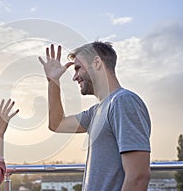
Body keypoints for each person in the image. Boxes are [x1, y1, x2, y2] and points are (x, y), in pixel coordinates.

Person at [38, 42, 151, 190]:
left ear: (97, 63)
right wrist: (53, 82)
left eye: (78, 68)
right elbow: (57, 124)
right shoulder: (96, 112)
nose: (74, 77)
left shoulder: (122, 101)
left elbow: (138, 176)